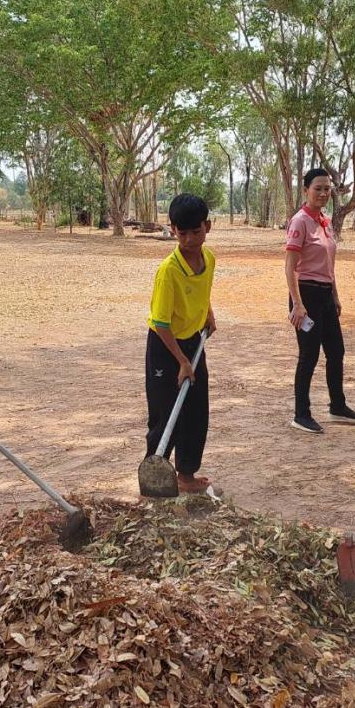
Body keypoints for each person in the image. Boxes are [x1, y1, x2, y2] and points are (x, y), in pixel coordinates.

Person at [146, 194, 218, 494]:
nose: (189, 239)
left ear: (208, 227)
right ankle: (154, 478)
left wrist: (209, 313)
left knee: (196, 410)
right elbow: (161, 322)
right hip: (166, 348)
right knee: (167, 414)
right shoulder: (169, 271)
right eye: (182, 232)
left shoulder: (209, 259)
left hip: (192, 343)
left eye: (196, 231)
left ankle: (186, 475)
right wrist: (182, 362)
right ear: (172, 229)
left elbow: (202, 292)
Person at [285, 168, 355, 433]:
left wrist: (335, 295)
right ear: (306, 190)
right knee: (309, 355)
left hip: (326, 294)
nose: (323, 193)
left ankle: (337, 406)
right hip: (306, 294)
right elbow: (290, 266)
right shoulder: (300, 222)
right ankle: (301, 414)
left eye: (327, 189)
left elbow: (330, 263)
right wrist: (297, 303)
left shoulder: (325, 222)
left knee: (336, 351)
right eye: (318, 188)